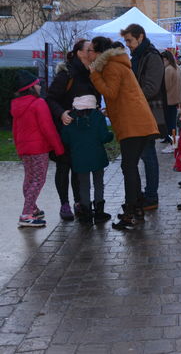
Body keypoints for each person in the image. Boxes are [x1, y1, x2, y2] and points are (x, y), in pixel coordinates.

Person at [88, 37, 159, 229]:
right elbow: (122, 96)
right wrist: (111, 110)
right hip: (137, 122)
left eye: (91, 51)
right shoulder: (118, 64)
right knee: (131, 167)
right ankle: (136, 209)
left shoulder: (111, 66)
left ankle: (131, 213)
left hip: (134, 125)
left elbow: (110, 93)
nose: (89, 54)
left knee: (128, 168)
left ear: (100, 52)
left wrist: (94, 75)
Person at [46, 39, 101, 221]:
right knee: (64, 166)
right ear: (79, 53)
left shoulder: (92, 73)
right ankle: (64, 204)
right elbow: (50, 98)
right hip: (65, 128)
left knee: (80, 167)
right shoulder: (67, 73)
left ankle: (80, 203)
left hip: (84, 131)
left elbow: (96, 98)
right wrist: (61, 113)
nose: (92, 52)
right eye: (89, 50)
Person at [120, 24, 166, 211]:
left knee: (148, 154)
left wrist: (130, 98)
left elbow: (151, 88)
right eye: (126, 41)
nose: (128, 45)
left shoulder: (152, 57)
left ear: (140, 37)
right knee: (142, 155)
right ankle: (144, 194)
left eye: (130, 40)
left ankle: (151, 196)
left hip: (148, 113)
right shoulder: (138, 56)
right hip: (139, 112)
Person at [11, 71, 64, 228]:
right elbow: (48, 128)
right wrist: (59, 148)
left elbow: (15, 129)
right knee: (38, 180)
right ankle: (26, 214)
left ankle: (32, 208)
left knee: (29, 179)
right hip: (39, 149)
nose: (40, 86)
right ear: (31, 87)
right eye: (38, 83)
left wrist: (18, 148)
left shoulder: (17, 104)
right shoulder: (39, 103)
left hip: (25, 148)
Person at [60, 95, 113, 224]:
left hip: (79, 158)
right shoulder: (98, 116)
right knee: (98, 182)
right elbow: (104, 137)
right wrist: (110, 135)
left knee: (83, 185)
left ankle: (86, 213)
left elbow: (65, 139)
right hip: (97, 157)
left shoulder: (70, 119)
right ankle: (99, 212)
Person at [161, 50, 181, 153]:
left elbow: (165, 86)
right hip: (176, 99)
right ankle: (169, 140)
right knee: (172, 123)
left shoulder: (168, 69)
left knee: (171, 124)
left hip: (169, 99)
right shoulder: (178, 68)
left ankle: (173, 144)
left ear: (166, 59)